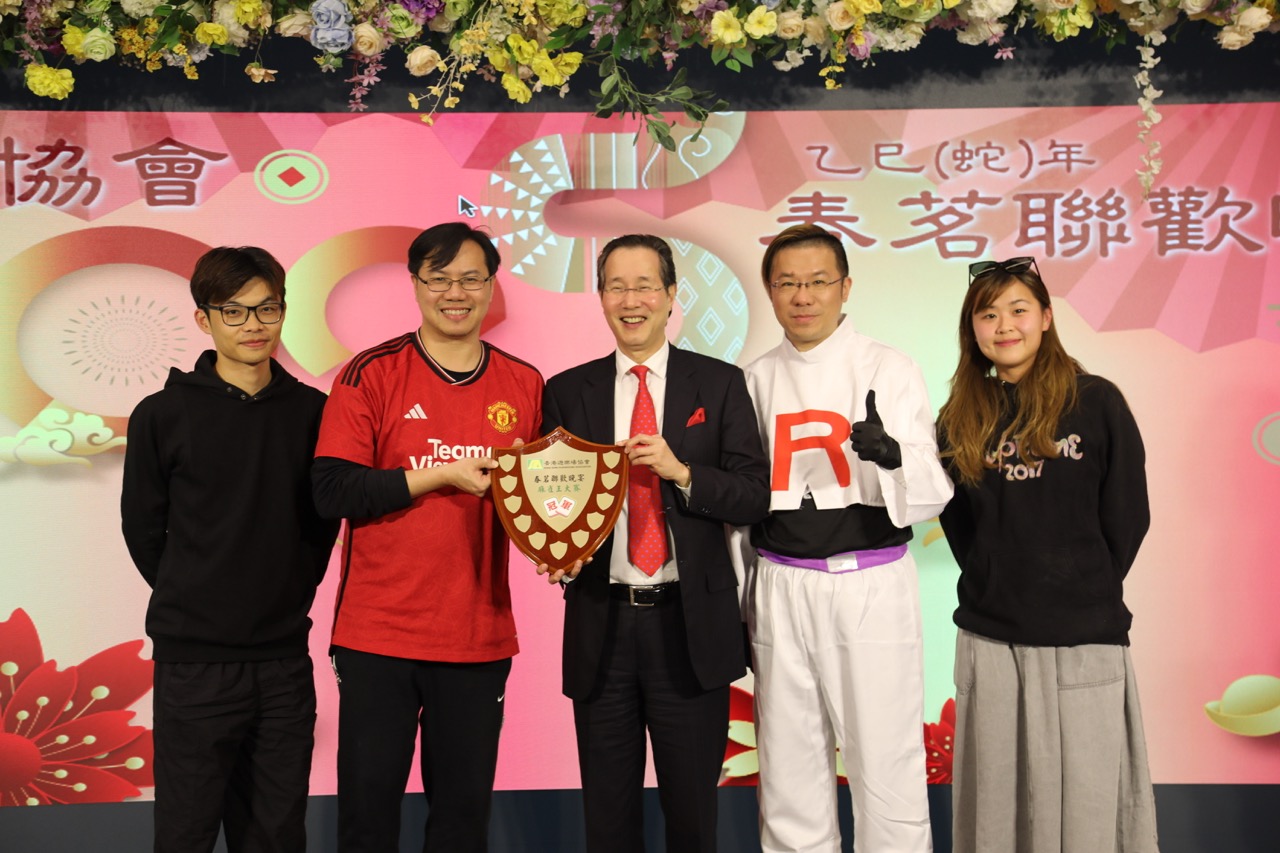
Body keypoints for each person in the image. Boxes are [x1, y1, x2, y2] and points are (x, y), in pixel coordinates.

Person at [310, 222, 543, 853]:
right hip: (378, 635)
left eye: (470, 279)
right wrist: (438, 475)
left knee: (462, 822)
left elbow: (540, 498)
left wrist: (565, 544)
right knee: (367, 819)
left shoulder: (525, 382)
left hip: (477, 635)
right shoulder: (371, 372)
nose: (455, 293)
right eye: (439, 279)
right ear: (415, 284)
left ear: (491, 286)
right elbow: (333, 489)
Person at [540, 234, 770, 853]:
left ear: (671, 296)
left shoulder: (719, 384)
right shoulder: (568, 391)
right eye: (616, 286)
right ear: (600, 297)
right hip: (602, 625)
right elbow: (550, 500)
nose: (630, 300)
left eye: (644, 286)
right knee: (607, 820)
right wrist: (559, 554)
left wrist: (683, 472)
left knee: (692, 818)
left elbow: (753, 495)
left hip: (689, 628)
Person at [740, 224, 953, 853]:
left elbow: (934, 491)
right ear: (770, 291)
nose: (803, 296)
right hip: (781, 582)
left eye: (817, 282)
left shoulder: (889, 366)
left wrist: (892, 455)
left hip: (870, 582)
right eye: (788, 283)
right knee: (787, 767)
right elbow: (740, 506)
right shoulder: (753, 379)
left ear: (845, 287)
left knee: (887, 763)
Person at [936, 257, 1159, 853]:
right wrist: (996, 576)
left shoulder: (1096, 401)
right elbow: (959, 524)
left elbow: (1128, 515)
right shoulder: (959, 418)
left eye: (1018, 310)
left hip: (1084, 637)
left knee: (1090, 805)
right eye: (988, 314)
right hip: (991, 636)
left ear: (1046, 317)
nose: (1004, 325)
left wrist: (1081, 583)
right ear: (972, 329)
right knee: (999, 807)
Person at [121, 246, 338, 853]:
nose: (253, 325)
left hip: (283, 661)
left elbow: (321, 523)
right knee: (186, 832)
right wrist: (198, 593)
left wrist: (284, 592)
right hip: (194, 664)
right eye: (234, 312)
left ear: (283, 312)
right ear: (204, 319)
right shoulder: (162, 414)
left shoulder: (314, 412)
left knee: (276, 833)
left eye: (267, 309)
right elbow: (143, 530)